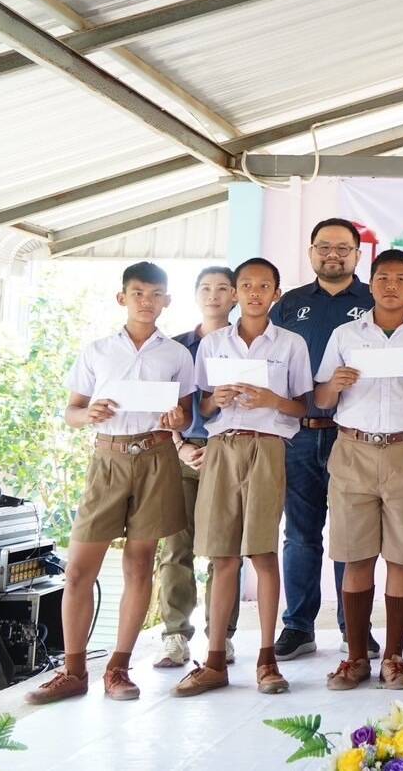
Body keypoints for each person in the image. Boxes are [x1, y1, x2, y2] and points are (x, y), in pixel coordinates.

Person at [27, 261, 194, 704]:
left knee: (140, 565)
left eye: (156, 293)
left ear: (167, 301)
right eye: (138, 292)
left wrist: (179, 418)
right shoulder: (97, 351)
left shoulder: (176, 354)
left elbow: (187, 413)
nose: (147, 301)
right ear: (123, 298)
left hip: (157, 456)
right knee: (80, 568)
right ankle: (73, 670)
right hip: (108, 457)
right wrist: (89, 414)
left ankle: (118, 669)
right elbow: (73, 410)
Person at [313, 249, 403, 691]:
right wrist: (332, 386)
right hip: (353, 450)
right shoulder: (345, 334)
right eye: (383, 277)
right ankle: (356, 656)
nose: (391, 285)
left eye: (401, 278)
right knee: (355, 557)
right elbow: (321, 400)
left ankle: (394, 658)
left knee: (402, 556)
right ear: (370, 283)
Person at [173, 257, 312, 697]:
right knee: (222, 556)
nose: (254, 293)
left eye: (263, 285)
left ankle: (267, 659)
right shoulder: (214, 344)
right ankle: (214, 659)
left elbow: (303, 407)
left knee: (263, 553)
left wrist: (273, 397)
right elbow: (203, 408)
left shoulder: (291, 344)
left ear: (276, 294)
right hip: (222, 448)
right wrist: (219, 397)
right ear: (234, 293)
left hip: (268, 448)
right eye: (246, 285)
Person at [272, 218, 375, 661]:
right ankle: (298, 626)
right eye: (324, 247)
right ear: (312, 252)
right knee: (300, 535)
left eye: (343, 248)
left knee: (352, 539)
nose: (333, 255)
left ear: (357, 254)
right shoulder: (289, 305)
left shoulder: (375, 301)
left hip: (353, 438)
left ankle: (356, 629)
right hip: (298, 436)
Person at [156, 266, 240, 669]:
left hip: (229, 455)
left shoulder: (247, 344)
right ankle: (174, 635)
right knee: (176, 547)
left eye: (223, 288)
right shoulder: (174, 348)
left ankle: (223, 636)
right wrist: (180, 446)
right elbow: (161, 407)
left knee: (226, 551)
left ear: (235, 296)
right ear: (194, 295)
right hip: (181, 454)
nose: (214, 295)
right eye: (205, 288)